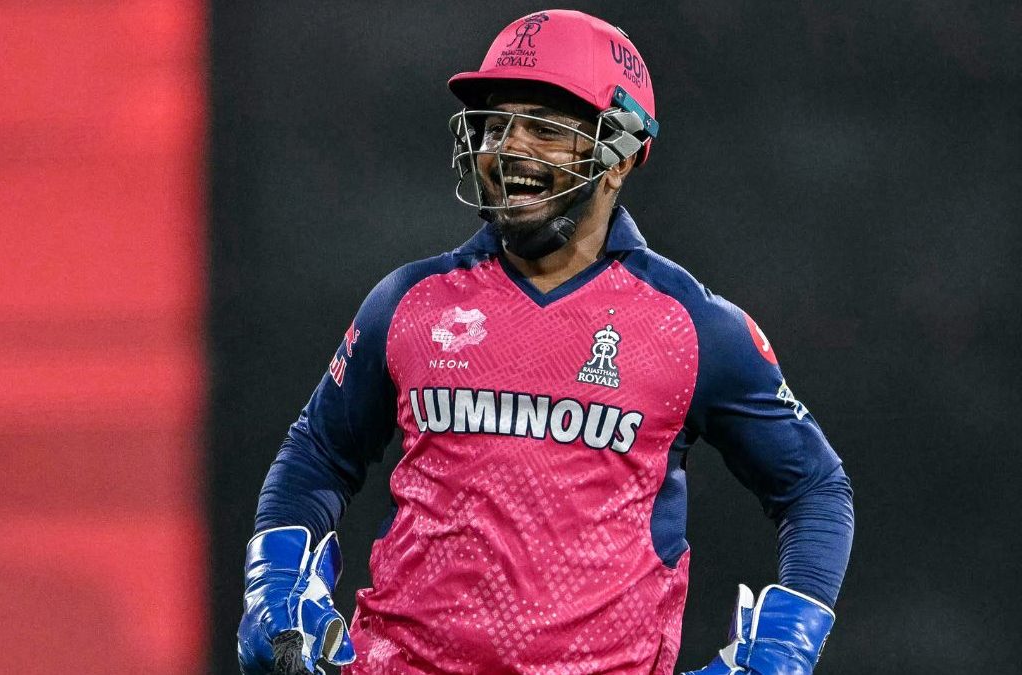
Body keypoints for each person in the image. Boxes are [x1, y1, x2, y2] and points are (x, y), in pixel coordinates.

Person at [238, 10, 854, 675]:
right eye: (495, 125)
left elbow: (814, 487)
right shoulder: (409, 303)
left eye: (544, 127)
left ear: (617, 155)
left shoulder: (691, 328)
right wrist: (273, 589)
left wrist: (784, 647)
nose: (509, 147)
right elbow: (316, 454)